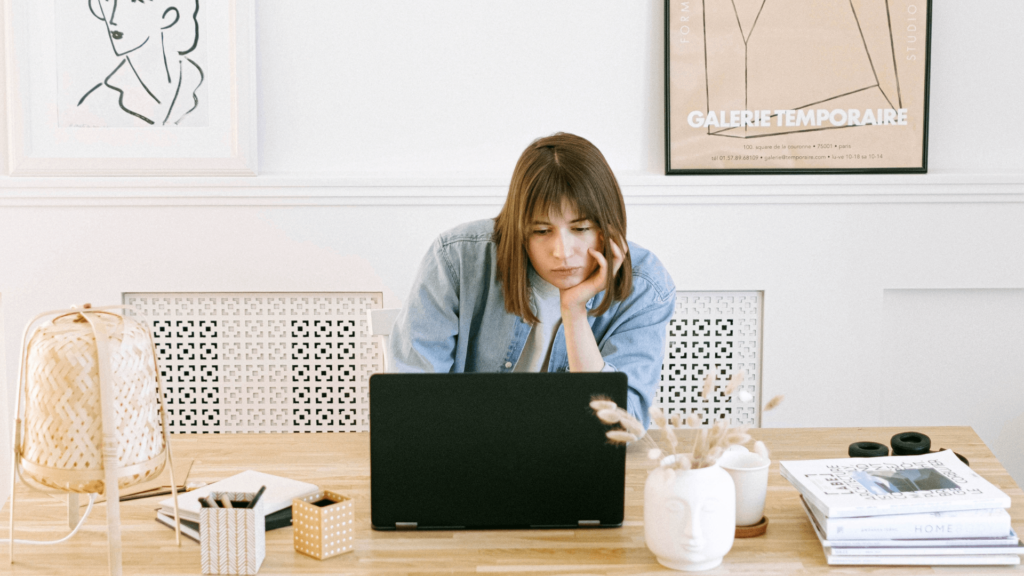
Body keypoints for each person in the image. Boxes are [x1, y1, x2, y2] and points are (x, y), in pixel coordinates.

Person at [389, 133, 676, 423]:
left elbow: (621, 426)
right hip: (465, 453)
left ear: (607, 225)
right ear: (518, 228)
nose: (562, 252)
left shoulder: (645, 286)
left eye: (580, 228)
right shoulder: (457, 259)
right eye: (541, 231)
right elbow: (413, 399)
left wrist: (575, 312)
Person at [75, 0, 204, 126]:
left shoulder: (200, 83)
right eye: (108, 0)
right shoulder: (95, 106)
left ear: (168, 15)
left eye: (134, 1)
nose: (112, 19)